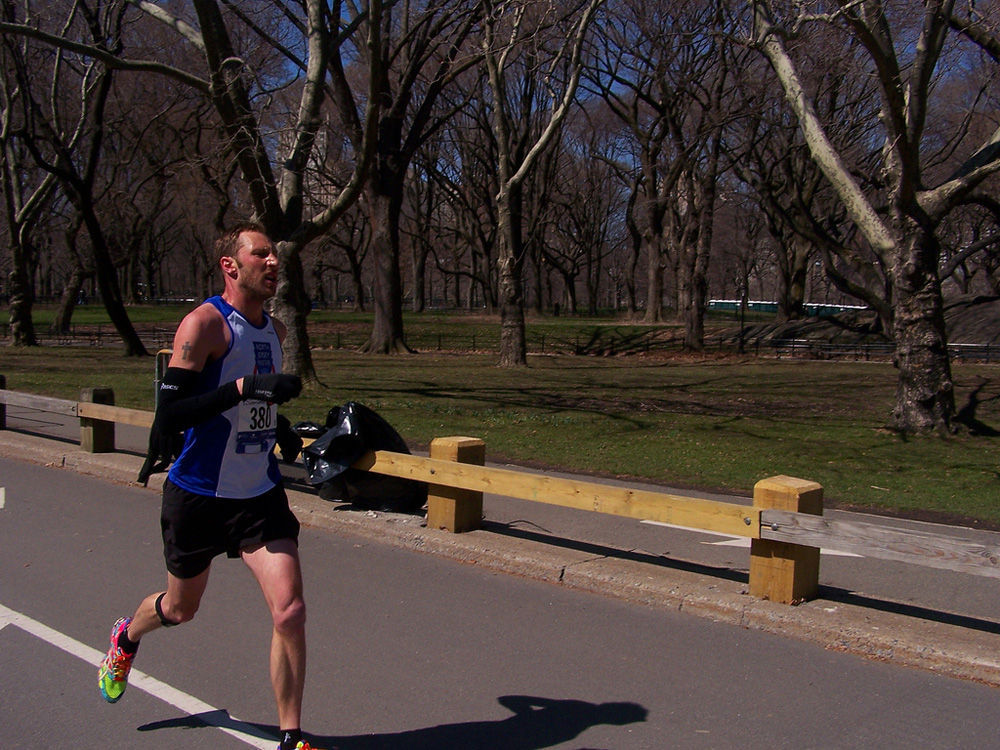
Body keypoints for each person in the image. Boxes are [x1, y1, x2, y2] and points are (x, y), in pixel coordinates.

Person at [99, 221, 318, 750]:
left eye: (274, 256)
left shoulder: (276, 331)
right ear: (230, 266)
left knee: (290, 609)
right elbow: (170, 416)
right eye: (260, 254)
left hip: (258, 495)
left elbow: (250, 407)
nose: (273, 263)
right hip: (197, 493)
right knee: (180, 609)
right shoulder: (202, 326)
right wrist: (244, 387)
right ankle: (126, 636)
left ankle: (292, 738)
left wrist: (278, 426)